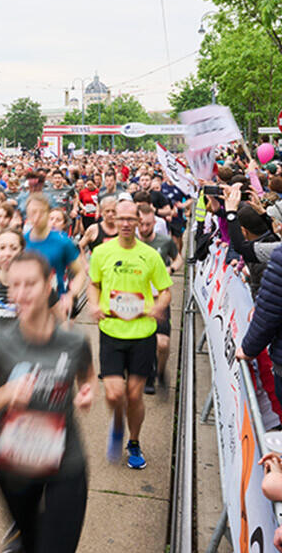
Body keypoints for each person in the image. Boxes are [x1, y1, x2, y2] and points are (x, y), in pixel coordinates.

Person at [0, 252, 95, 553]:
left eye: (30, 284)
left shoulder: (74, 342)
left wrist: (87, 393)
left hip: (65, 462)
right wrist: (6, 393)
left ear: (49, 284)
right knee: (30, 540)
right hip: (14, 464)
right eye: (15, 286)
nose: (21, 294)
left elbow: (88, 378)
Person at [88, 199, 172, 469]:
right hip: (111, 331)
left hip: (141, 334)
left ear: (138, 222)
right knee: (114, 395)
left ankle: (133, 441)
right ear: (112, 219)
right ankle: (116, 424)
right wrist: (92, 304)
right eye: (120, 218)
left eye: (130, 219)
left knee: (134, 396)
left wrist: (158, 307)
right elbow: (93, 284)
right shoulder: (102, 252)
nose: (125, 223)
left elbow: (166, 290)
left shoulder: (150, 255)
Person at [136, 202, 183, 394]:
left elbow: (178, 258)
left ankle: (161, 372)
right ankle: (148, 374)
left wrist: (171, 269)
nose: (145, 228)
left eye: (148, 224)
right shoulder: (128, 242)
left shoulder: (164, 241)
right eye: (141, 224)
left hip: (159, 298)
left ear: (154, 222)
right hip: (136, 299)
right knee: (143, 341)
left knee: (162, 343)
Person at [23, 194, 87, 320]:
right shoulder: (22, 242)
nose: (36, 217)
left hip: (58, 304)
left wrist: (71, 295)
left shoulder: (63, 242)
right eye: (32, 213)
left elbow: (80, 273)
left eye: (41, 213)